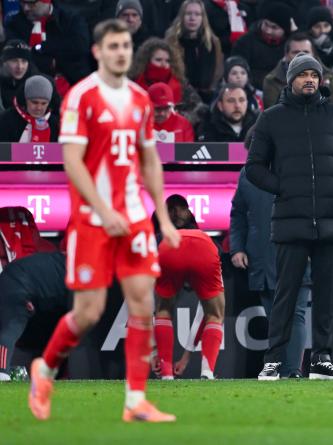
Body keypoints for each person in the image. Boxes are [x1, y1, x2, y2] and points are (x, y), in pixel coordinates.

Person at [27, 19, 181, 423]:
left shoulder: (140, 100)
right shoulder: (80, 97)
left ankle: (135, 400)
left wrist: (162, 216)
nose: (120, 52)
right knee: (90, 312)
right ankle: (44, 369)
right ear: (98, 51)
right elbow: (72, 162)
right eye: (113, 45)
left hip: (132, 218)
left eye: (126, 46)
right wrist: (102, 208)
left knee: (143, 302)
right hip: (92, 221)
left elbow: (149, 160)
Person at [246, 53, 333, 380]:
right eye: (303, 75)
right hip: (290, 220)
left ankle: (321, 360)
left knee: (326, 296)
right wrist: (282, 187)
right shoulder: (271, 119)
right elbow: (254, 168)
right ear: (291, 81)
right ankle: (273, 360)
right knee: (286, 294)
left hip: (331, 219)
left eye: (315, 74)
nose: (310, 80)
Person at [230, 156, 310, 379]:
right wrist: (237, 248)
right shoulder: (247, 174)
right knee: (275, 317)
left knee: (296, 314)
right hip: (261, 257)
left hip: (296, 252)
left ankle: (292, 372)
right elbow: (238, 213)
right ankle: (282, 369)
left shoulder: (299, 168)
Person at [153, 195, 224, 380]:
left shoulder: (157, 231)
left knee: (162, 310)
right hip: (204, 246)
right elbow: (205, 313)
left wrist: (155, 352)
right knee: (215, 314)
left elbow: (142, 303)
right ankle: (207, 372)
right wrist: (187, 355)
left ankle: (166, 373)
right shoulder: (198, 232)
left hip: (168, 247)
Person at [0, 252, 69, 381]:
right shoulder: (84, 270)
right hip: (18, 282)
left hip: (43, 299)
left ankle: (53, 378)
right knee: (12, 326)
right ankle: (1, 374)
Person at [5, 0, 91, 86]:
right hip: (27, 86)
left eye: (31, 3)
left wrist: (41, 47)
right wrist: (49, 63)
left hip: (72, 83)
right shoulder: (14, 24)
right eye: (23, 3)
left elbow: (80, 47)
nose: (26, 8)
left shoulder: (70, 19)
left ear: (47, 2)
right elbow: (14, 56)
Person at [129, 37, 201, 125]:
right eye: (158, 60)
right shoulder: (133, 84)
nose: (164, 65)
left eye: (168, 61)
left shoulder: (180, 84)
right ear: (146, 61)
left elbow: (199, 109)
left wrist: (178, 117)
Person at [262, 32, 333, 110]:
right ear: (286, 55)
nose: (301, 56)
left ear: (314, 55)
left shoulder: (329, 77)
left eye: (306, 52)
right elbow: (272, 117)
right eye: (295, 52)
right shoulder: (272, 81)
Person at [165, 0, 224, 103]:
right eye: (188, 14)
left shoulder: (213, 43)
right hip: (180, 98)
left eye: (197, 14)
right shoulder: (171, 42)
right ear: (182, 16)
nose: (192, 18)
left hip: (208, 99)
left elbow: (217, 73)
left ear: (203, 18)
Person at [231, 2, 293, 90]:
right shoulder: (245, 42)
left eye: (274, 27)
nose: (268, 31)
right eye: (266, 24)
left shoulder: (291, 45)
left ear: (284, 30)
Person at [0, 74, 59, 142]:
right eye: (34, 102)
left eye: (44, 103)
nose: (39, 108)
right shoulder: (6, 120)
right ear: (25, 100)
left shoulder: (54, 124)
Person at [0, 39, 38, 110]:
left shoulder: (38, 83)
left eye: (24, 61)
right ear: (4, 62)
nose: (20, 66)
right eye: (14, 61)